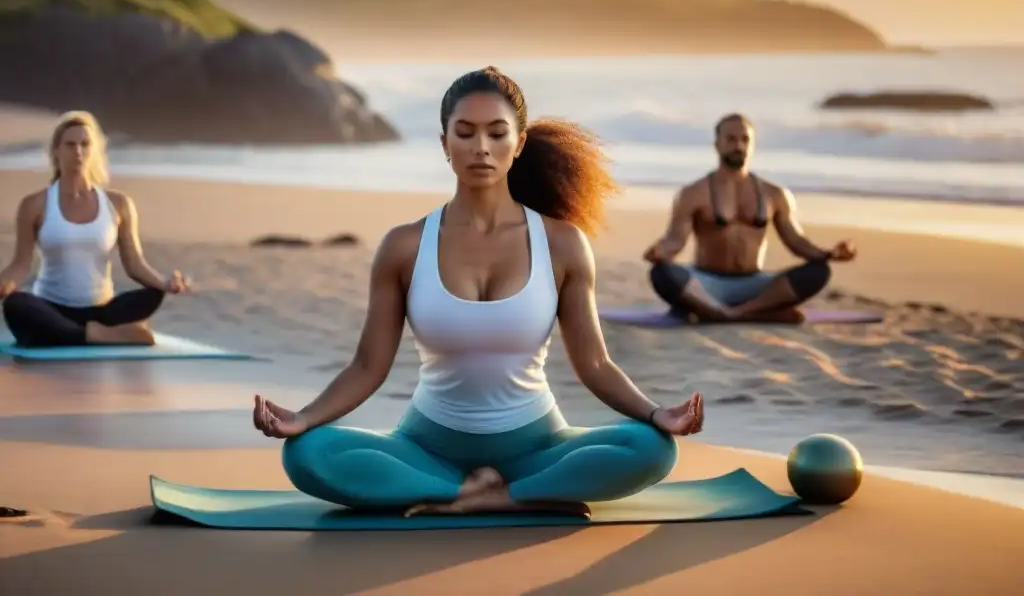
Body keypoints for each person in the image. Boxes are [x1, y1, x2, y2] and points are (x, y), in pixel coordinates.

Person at [253, 66, 705, 518]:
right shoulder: (405, 246)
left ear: (519, 143)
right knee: (306, 454)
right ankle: (487, 492)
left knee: (652, 448)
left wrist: (654, 414)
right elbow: (369, 366)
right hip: (429, 448)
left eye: (496, 133)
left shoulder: (561, 243)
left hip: (537, 444)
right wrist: (305, 418)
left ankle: (494, 495)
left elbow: (594, 363)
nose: (481, 148)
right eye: (465, 133)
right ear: (444, 143)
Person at [642, 113, 856, 324]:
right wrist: (660, 251)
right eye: (731, 139)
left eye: (745, 139)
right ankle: (743, 312)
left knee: (819, 271)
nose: (739, 145)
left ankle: (734, 312)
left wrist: (830, 253)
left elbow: (797, 242)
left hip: (756, 286)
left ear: (753, 145)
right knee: (662, 274)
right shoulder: (693, 193)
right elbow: (675, 240)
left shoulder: (775, 194)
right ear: (717, 143)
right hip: (705, 284)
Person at [0, 111, 189, 347]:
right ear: (56, 151)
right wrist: (4, 284)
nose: (78, 152)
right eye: (70, 145)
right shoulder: (35, 205)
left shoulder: (118, 204)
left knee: (152, 294)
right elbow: (20, 265)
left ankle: (75, 334)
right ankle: (97, 336)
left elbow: (135, 264)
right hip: (51, 308)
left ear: (94, 151)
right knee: (16, 305)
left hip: (103, 311)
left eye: (85, 144)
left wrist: (165, 283)